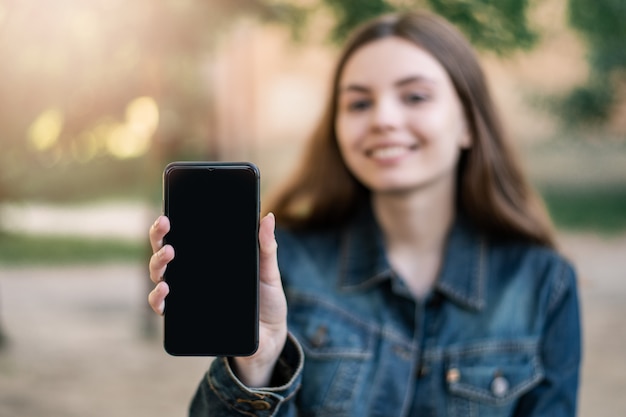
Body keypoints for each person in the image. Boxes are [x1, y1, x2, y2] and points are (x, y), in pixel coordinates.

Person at [148, 10, 582, 416]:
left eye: (414, 96)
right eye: (358, 104)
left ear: (468, 122)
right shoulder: (283, 269)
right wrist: (257, 366)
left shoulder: (545, 284)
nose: (384, 119)